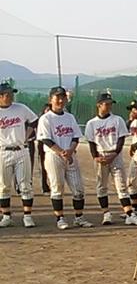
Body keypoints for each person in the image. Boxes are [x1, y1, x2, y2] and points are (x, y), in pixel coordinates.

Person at [36, 86, 92, 229]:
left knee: (78, 188)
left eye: (63, 97)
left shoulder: (69, 117)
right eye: (57, 97)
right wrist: (62, 152)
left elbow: (75, 137)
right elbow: (45, 139)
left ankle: (79, 217)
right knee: (57, 187)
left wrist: (70, 151)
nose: (60, 100)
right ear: (51, 100)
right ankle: (60, 218)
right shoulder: (45, 118)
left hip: (70, 155)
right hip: (53, 155)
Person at [84, 92, 137, 226]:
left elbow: (121, 138)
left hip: (114, 155)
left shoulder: (117, 120)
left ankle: (129, 214)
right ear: (99, 105)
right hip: (101, 155)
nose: (109, 106)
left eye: (111, 104)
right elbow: (91, 142)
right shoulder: (92, 123)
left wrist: (115, 153)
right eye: (106, 104)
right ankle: (106, 214)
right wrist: (96, 157)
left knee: (121, 185)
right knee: (101, 186)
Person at [0, 82, 38, 228]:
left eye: (11, 94)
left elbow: (34, 121)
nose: (10, 97)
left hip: (21, 149)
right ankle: (6, 216)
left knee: (25, 184)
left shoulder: (20, 108)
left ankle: (27, 216)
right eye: (7, 94)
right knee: (4, 186)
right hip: (3, 151)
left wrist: (27, 135)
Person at [34, 103, 51, 195]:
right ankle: (45, 186)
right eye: (46, 110)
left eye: (50, 109)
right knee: (43, 166)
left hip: (54, 145)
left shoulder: (54, 120)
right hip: (42, 144)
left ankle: (53, 185)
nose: (48, 111)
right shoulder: (41, 120)